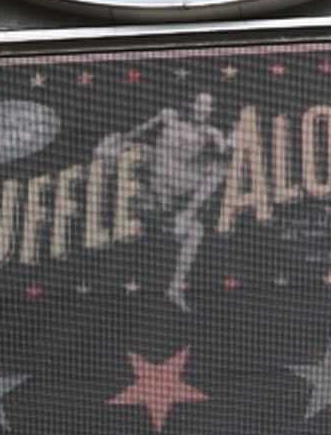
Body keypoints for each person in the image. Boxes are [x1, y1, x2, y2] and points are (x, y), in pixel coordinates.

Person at [98, 92, 232, 310]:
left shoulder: (211, 133)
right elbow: (135, 134)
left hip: (177, 195)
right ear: (190, 104)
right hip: (151, 191)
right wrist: (117, 144)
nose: (203, 110)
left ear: (211, 111)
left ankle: (175, 286)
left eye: (208, 106)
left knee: (215, 179)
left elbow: (225, 152)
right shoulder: (169, 117)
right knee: (131, 151)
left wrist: (229, 143)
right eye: (200, 104)